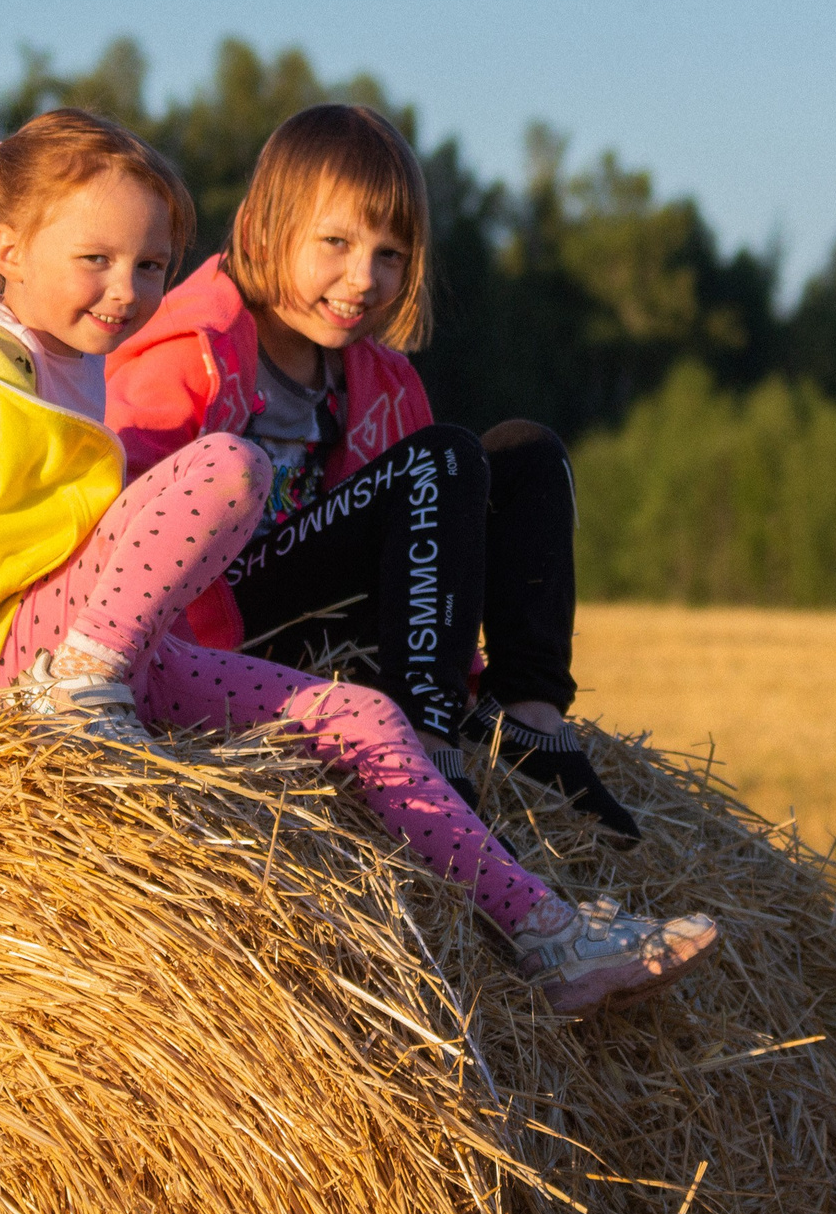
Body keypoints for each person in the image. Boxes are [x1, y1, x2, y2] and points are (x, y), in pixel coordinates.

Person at [0, 107, 714, 1015]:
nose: (126, 288)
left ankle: (550, 936)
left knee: (361, 716)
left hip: (117, 652)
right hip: (12, 656)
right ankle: (81, 700)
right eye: (97, 261)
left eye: (150, 265)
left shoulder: (85, 368)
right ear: (9, 252)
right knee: (234, 466)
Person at [103, 103, 640, 840]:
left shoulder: (384, 380)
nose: (364, 278)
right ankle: (427, 749)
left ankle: (530, 720)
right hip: (227, 635)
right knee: (444, 457)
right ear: (263, 229)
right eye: (336, 242)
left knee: (526, 453)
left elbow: (432, 552)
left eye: (390, 254)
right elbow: (127, 534)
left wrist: (467, 667)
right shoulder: (186, 352)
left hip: (338, 630)